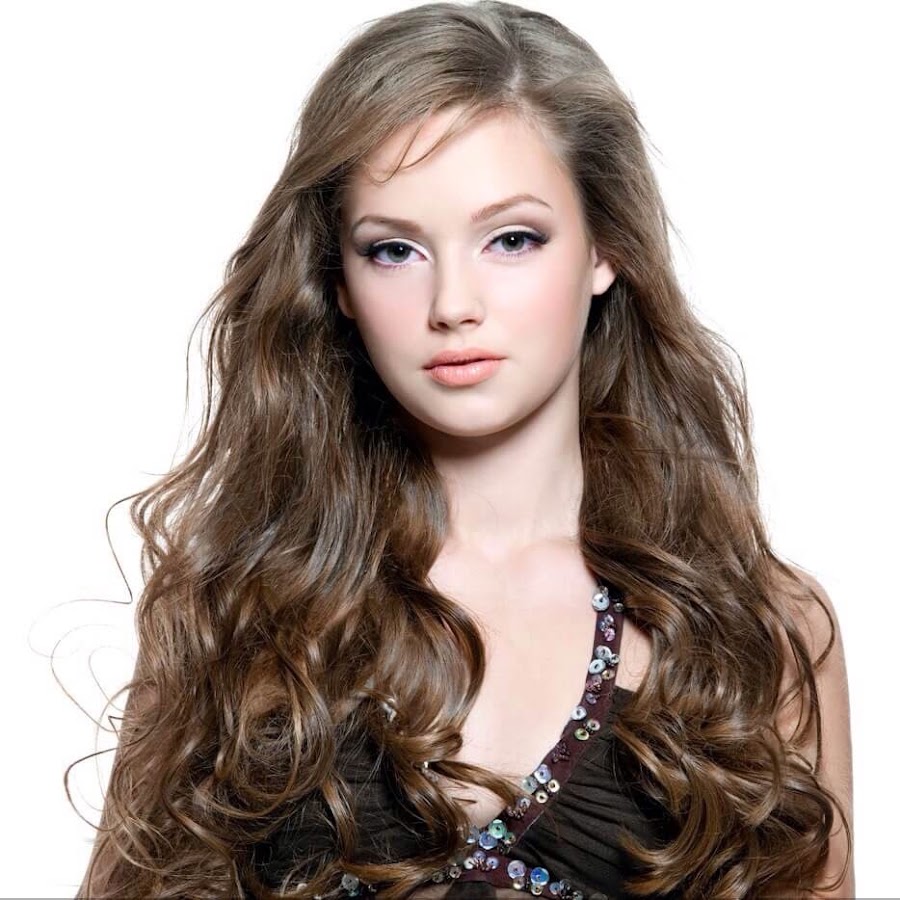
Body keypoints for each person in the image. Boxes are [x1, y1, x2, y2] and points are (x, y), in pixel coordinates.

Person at [74, 2, 854, 898]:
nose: (453, 304)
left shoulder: (762, 625)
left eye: (511, 239)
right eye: (394, 250)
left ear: (605, 249)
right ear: (337, 281)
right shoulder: (236, 604)